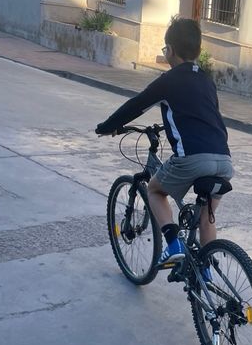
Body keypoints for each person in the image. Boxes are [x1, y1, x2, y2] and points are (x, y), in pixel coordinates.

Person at [95, 17, 233, 266]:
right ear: (198, 51)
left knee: (155, 190)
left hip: (193, 159)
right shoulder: (207, 81)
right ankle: (206, 277)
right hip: (224, 161)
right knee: (206, 218)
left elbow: (137, 105)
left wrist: (108, 127)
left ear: (169, 50)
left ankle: (173, 244)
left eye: (164, 49)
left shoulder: (170, 80)